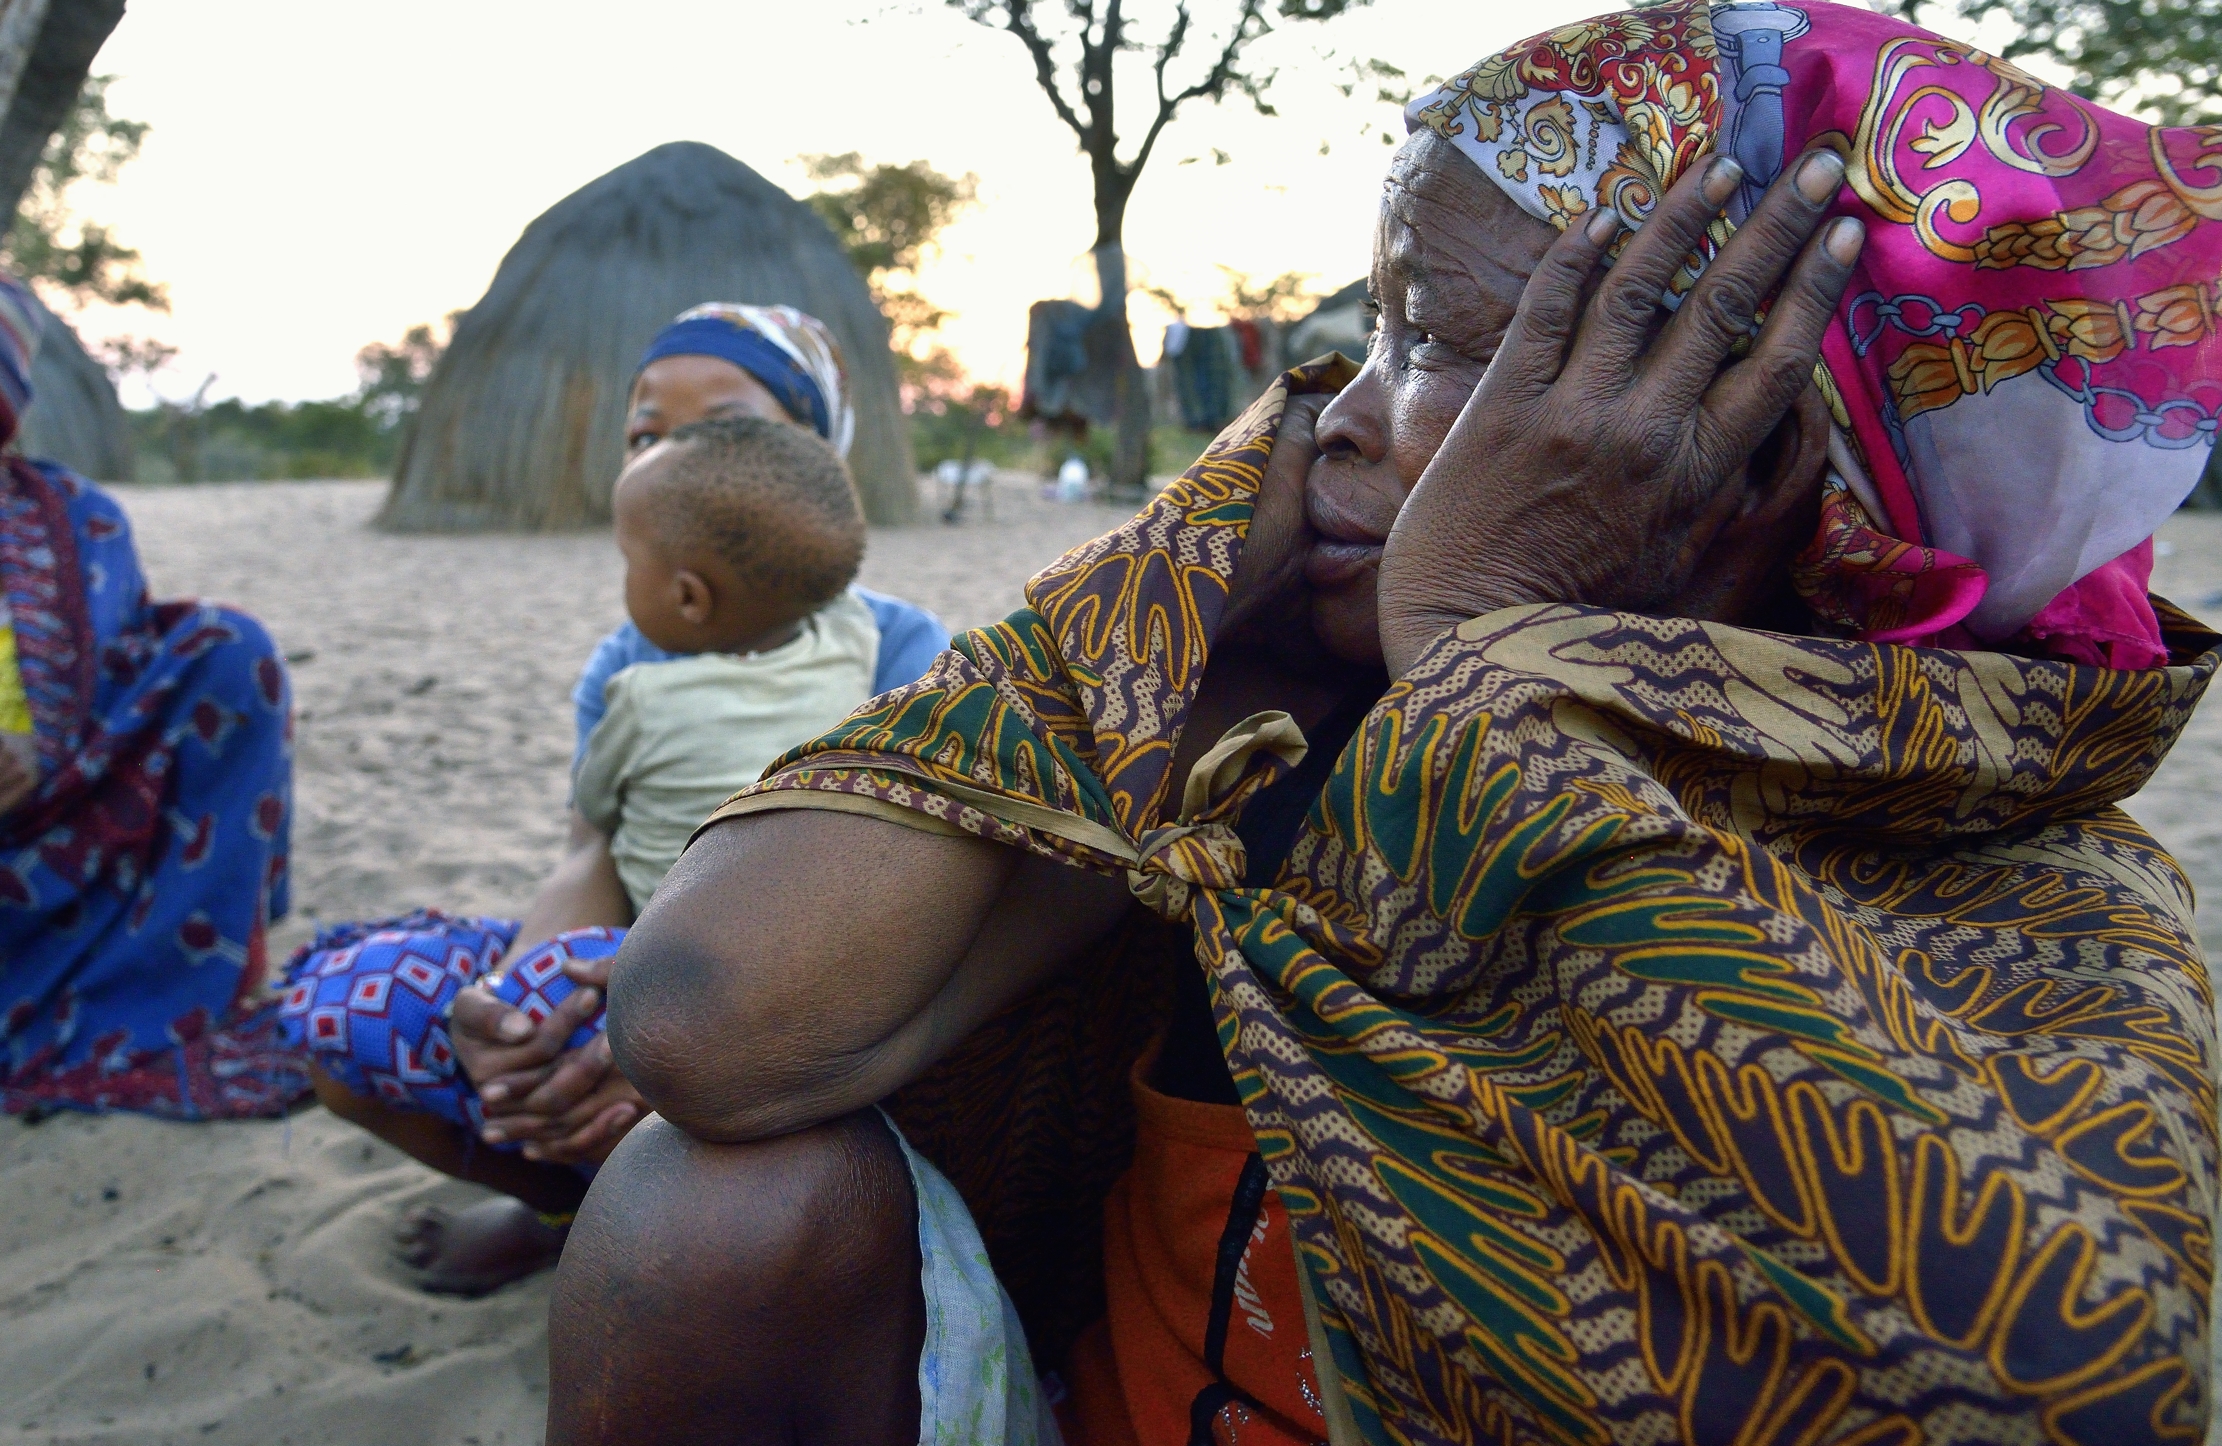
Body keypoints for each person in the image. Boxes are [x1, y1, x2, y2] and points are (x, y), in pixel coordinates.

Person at [551, 4, 2218, 1442]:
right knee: (705, 1212)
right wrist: (1182, 584)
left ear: (1775, 453)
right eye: (1374, 327)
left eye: (1440, 339)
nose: (1333, 414)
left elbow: (2017, 1371)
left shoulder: (2033, 891)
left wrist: (1501, 684)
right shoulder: (1274, 719)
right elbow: (712, 1021)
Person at [282, 304, 947, 1296]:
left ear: (811, 455)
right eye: (645, 430)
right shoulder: (629, 660)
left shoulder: (898, 650)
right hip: (617, 970)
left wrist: (674, 1028)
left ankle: (671, 1228)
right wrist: (513, 1011)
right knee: (342, 1042)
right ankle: (569, 1208)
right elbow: (591, 849)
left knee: (717, 1095)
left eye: (719, 422)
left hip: (803, 1004)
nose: (668, 451)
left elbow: (906, 904)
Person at [0, 273, 300, 1120]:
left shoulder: (76, 517)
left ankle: (171, 986)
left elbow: (120, 673)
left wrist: (43, 748)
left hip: (63, 824)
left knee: (229, 651)